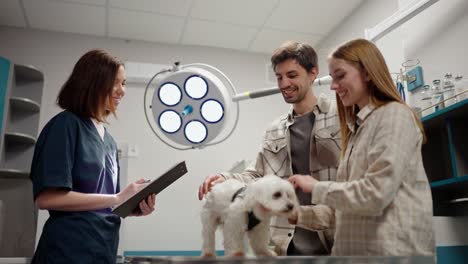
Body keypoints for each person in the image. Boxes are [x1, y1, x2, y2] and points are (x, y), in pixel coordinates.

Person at [289, 38, 435, 256]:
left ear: (367, 73)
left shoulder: (394, 115)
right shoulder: (356, 131)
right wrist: (294, 214)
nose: (333, 86)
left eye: (340, 76)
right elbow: (343, 212)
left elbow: (375, 195)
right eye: (332, 77)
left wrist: (315, 187)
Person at [198, 41, 341, 256]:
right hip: (287, 247)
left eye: (292, 75)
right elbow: (256, 176)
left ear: (313, 74)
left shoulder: (340, 117)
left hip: (335, 242)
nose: (284, 83)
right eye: (279, 76)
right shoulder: (274, 130)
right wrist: (225, 178)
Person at [30, 49, 156, 263]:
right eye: (115, 82)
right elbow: (46, 198)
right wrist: (118, 198)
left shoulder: (109, 141)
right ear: (91, 83)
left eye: (124, 83)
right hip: (68, 250)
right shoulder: (66, 125)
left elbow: (103, 202)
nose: (122, 91)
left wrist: (130, 206)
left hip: (104, 248)